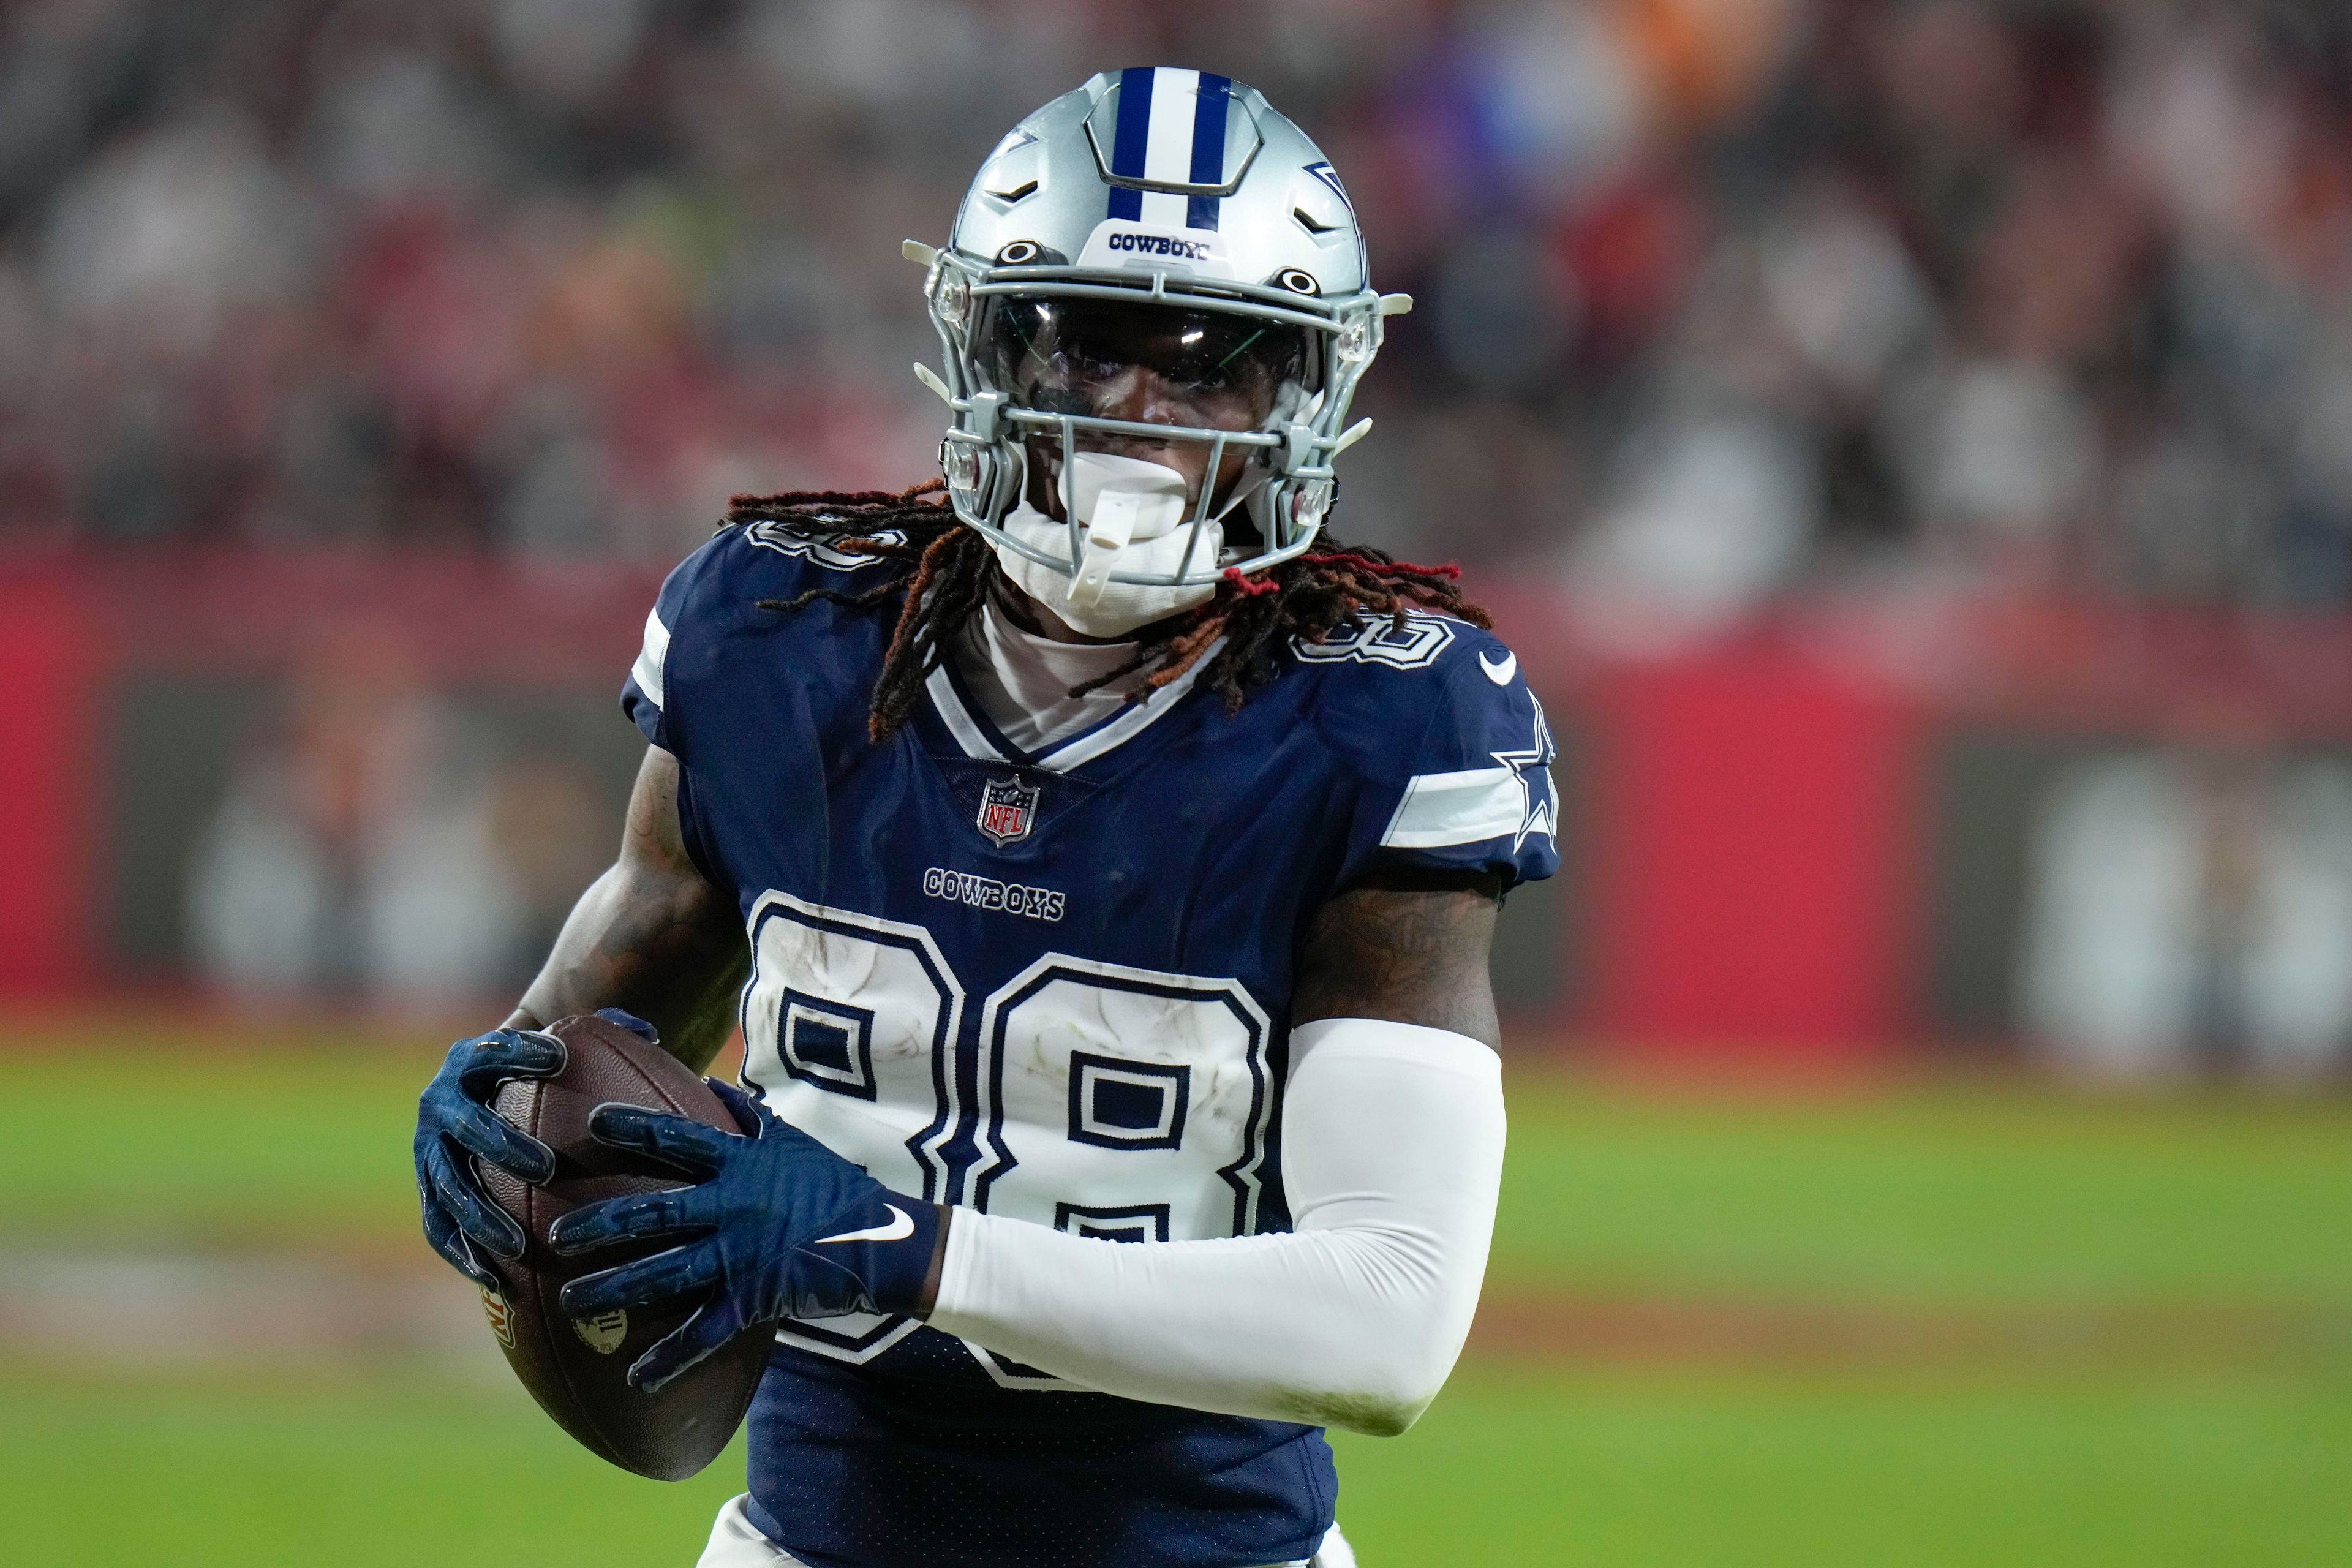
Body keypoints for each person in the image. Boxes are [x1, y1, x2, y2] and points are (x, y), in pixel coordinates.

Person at [413, 68, 1558, 1568]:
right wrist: (500, 1124)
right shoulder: (772, 637)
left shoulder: (1385, 716)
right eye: (1090, 345)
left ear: (1306, 397)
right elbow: (583, 1064)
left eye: (1215, 366)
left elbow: (1392, 1320)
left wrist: (904, 1245)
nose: (1145, 414)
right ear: (987, 344)